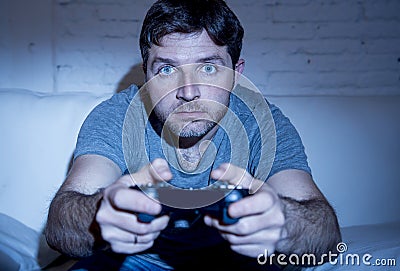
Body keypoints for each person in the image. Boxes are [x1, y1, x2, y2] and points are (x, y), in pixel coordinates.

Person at [44, 0, 342, 270]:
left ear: (236, 74)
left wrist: (285, 222)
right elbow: (61, 224)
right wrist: (98, 215)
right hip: (134, 262)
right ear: (146, 75)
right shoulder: (118, 115)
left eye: (209, 68)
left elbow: (324, 231)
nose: (188, 92)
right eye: (166, 70)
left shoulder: (263, 124)